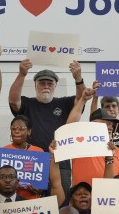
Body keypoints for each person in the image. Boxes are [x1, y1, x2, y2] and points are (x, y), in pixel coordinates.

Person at [9, 60, 86, 197]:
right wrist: (22, 74)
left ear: (55, 85)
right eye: (42, 83)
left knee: (60, 204)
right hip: (31, 164)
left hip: (60, 162)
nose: (46, 86)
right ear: (35, 85)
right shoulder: (27, 103)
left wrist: (78, 79)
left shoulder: (64, 103)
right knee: (31, 203)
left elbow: (82, 99)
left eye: (50, 83)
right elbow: (14, 101)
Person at [70, 107, 119, 186]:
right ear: (94, 124)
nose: (111, 127)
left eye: (112, 124)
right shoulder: (79, 144)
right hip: (82, 196)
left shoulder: (117, 152)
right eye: (107, 123)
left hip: (107, 196)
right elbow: (70, 126)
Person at [3, 115, 44, 199]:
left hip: (32, 201)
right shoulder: (3, 152)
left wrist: (39, 189)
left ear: (29, 131)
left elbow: (42, 185)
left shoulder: (39, 152)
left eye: (21, 128)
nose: (16, 131)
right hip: (9, 201)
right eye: (13, 128)